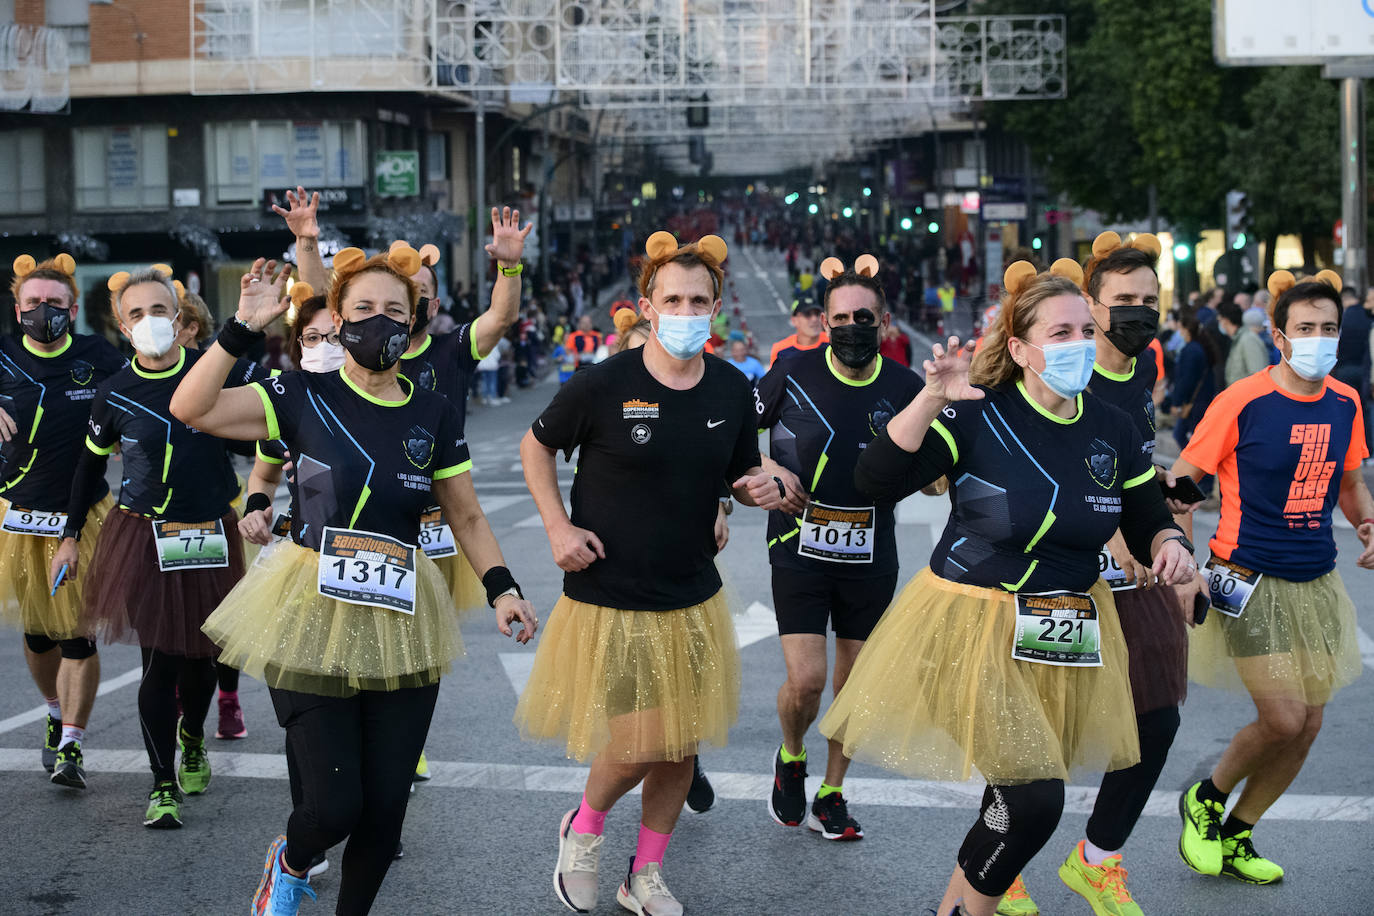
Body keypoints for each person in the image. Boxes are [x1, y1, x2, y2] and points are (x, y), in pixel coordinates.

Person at [820, 259, 1196, 916]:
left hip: (1069, 625)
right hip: (973, 626)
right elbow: (873, 482)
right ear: (1019, 349)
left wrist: (1170, 545)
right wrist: (933, 395)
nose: (1078, 344)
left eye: (1085, 329)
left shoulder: (1115, 427)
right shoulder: (976, 415)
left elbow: (1145, 516)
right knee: (1034, 797)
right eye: (1060, 333)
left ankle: (963, 907)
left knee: (1012, 798)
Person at [170, 246, 537, 915]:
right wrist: (242, 328)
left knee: (385, 810)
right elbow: (192, 407)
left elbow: (467, 514)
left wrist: (503, 586)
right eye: (363, 308)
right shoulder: (298, 393)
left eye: (394, 310)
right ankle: (290, 857)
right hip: (309, 601)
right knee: (335, 804)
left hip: (402, 605)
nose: (379, 321)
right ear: (336, 318)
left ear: (415, 318)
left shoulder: (432, 413)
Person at [516, 230, 787, 916]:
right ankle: (583, 828)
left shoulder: (731, 386)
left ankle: (646, 874)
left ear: (717, 306)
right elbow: (535, 445)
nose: (688, 310)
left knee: (681, 745)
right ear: (649, 304)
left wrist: (747, 490)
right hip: (611, 595)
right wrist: (556, 527)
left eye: (700, 299)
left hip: (692, 595)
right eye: (674, 298)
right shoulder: (603, 382)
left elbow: (733, 467)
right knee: (642, 741)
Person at [1001, 231, 1192, 915]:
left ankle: (1097, 859)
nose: (1140, 313)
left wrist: (1173, 541)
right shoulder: (1060, 367)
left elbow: (1136, 475)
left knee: (1158, 714)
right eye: (1125, 301)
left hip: (1133, 571)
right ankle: (1001, 866)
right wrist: (1110, 531)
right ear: (1090, 304)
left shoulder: (1145, 369)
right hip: (1056, 571)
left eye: (1151, 300)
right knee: (1037, 727)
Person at [1172, 269, 1372, 887]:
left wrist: (1367, 523)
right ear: (1280, 336)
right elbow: (1179, 487)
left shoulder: (1346, 401)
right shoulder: (1242, 400)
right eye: (1305, 328)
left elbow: (1348, 482)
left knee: (1309, 724)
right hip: (1244, 577)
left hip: (1316, 581)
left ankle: (1239, 833)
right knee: (1284, 718)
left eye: (1328, 328)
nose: (1318, 339)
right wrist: (1179, 561)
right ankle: (1205, 799)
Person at [50, 264, 264, 826]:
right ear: (123, 327)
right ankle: (162, 783)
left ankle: (193, 735)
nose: (150, 322)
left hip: (211, 532)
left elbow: (274, 430)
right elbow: (87, 469)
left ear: (181, 317)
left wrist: (265, 494)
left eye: (160, 310)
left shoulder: (217, 374)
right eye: (137, 314)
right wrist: (69, 536)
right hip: (144, 534)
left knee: (202, 660)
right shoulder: (113, 393)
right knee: (158, 662)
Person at [756, 254, 925, 843]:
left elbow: (940, 463)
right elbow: (734, 436)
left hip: (871, 552)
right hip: (797, 541)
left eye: (864, 317)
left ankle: (832, 792)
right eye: (840, 318)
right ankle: (791, 755)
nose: (852, 326)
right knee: (806, 681)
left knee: (853, 687)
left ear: (884, 322)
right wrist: (769, 468)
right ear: (824, 323)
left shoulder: (907, 387)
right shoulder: (790, 370)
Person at [0, 253, 126, 788]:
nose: (44, 311)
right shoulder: (2, 356)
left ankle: (72, 742)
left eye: (54, 303)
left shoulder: (99, 354)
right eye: (34, 303)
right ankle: (54, 711)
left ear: (72, 308)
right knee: (36, 634)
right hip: (16, 516)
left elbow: (148, 397)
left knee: (77, 635)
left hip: (84, 514)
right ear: (17, 306)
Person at [769, 292, 828, 366]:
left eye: (817, 314)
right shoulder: (780, 349)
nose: (814, 319)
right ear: (794, 320)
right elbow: (775, 377)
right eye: (807, 314)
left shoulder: (833, 342)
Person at [1221, 300, 1271, 388]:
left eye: (1219, 320)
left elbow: (1258, 375)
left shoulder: (1248, 340)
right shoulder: (1239, 339)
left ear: (1225, 321)